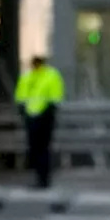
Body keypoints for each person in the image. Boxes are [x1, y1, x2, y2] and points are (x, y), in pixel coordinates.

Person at [14, 56, 65, 189]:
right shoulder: (29, 76)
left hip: (44, 116)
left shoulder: (50, 75)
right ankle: (40, 178)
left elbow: (55, 96)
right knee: (36, 149)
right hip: (33, 117)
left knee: (43, 149)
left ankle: (43, 179)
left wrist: (49, 110)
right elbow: (21, 96)